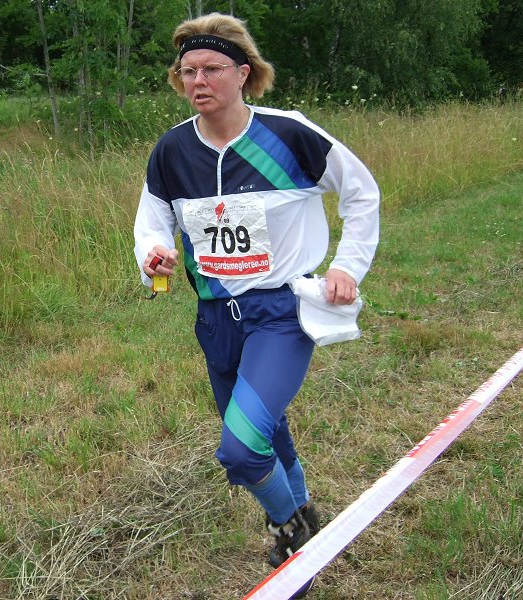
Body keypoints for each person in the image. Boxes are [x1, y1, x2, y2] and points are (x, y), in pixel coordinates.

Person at [133, 11, 380, 588]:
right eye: (188, 71)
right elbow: (152, 221)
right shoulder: (172, 150)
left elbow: (361, 194)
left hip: (281, 315)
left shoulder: (288, 134)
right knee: (266, 431)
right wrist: (154, 255)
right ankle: (304, 527)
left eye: (213, 68)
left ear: (243, 73)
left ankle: (290, 526)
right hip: (215, 318)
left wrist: (347, 266)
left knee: (242, 450)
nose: (198, 80)